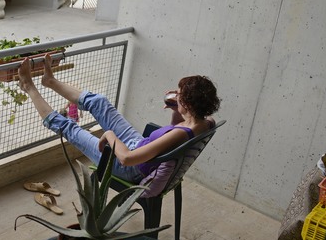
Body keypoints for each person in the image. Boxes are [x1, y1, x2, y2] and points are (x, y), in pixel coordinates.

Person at [17, 54, 220, 186]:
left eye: (179, 94)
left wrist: (110, 135)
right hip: (138, 146)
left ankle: (28, 87)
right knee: (99, 102)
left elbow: (127, 159)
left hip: (129, 167)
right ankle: (50, 81)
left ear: (189, 105)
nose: (175, 94)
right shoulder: (205, 122)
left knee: (71, 128)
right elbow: (175, 133)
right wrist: (177, 110)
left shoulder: (180, 134)